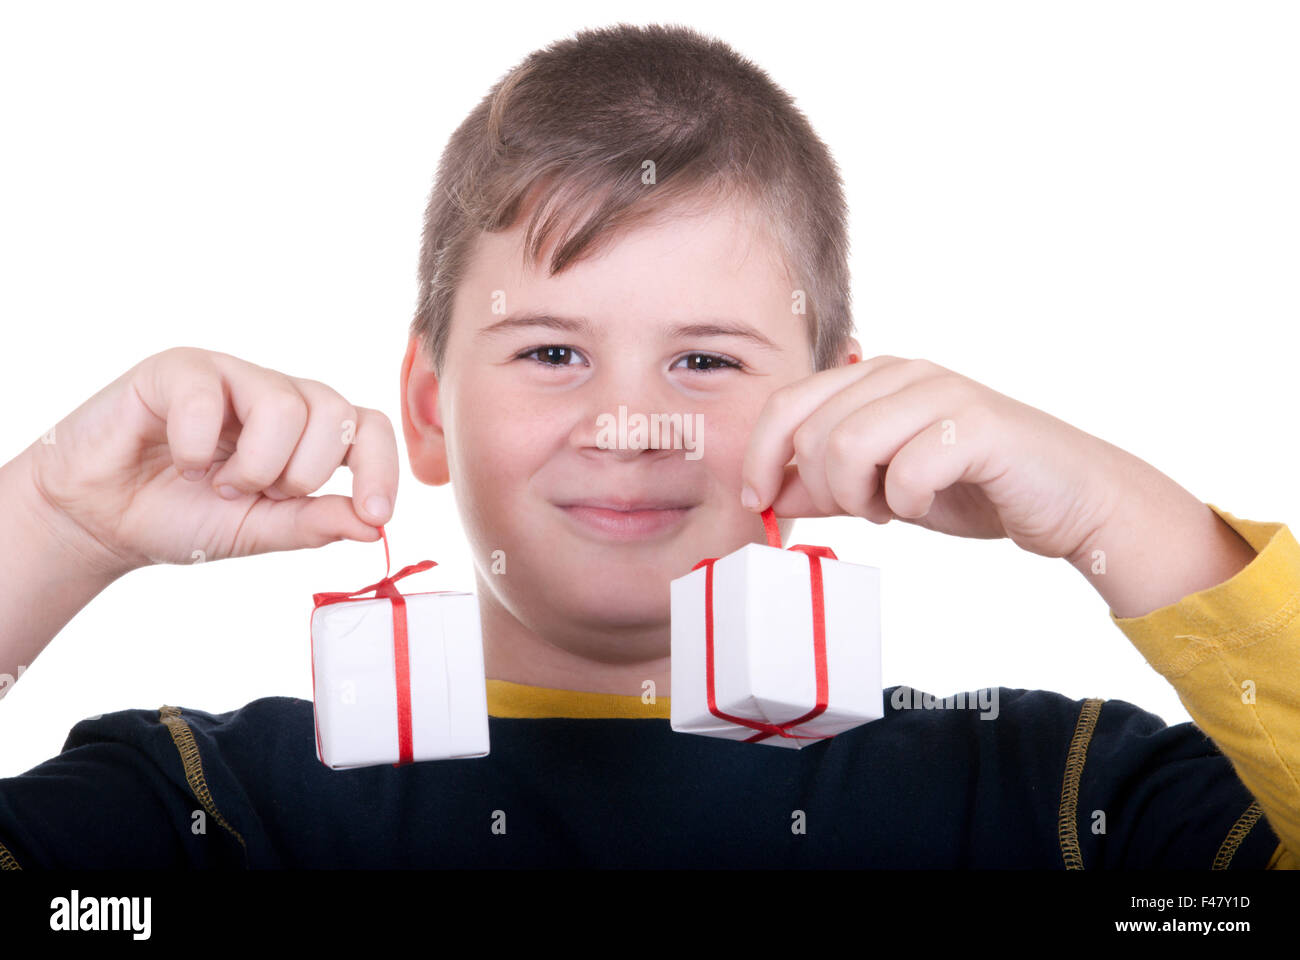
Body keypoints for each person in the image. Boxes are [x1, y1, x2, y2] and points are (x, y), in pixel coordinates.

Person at [0, 22, 1296, 869]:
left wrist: (1121, 516)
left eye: (708, 359)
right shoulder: (202, 810)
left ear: (837, 412)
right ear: (431, 407)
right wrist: (50, 526)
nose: (630, 423)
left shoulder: (1051, 802)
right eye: (553, 351)